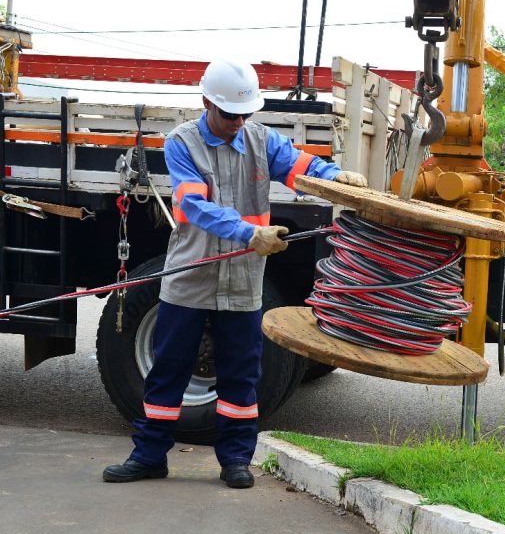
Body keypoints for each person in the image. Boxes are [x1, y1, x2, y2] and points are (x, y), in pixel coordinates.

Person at [103, 58, 367, 489]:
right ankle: (149, 456)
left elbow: (303, 167)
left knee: (242, 374)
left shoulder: (261, 140)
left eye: (246, 113)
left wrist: (338, 176)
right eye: (229, 114)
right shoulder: (182, 143)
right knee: (168, 370)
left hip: (243, 281)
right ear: (206, 101)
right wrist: (251, 233)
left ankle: (235, 460)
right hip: (191, 276)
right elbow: (191, 206)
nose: (238, 122)